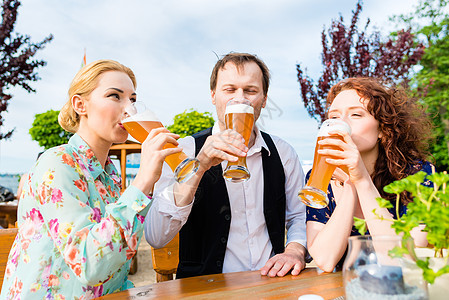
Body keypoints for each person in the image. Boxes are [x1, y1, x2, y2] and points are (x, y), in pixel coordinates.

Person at [0, 60, 182, 299]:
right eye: (115, 96)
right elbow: (90, 265)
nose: (130, 109)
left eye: (133, 99)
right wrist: (143, 180)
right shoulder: (57, 162)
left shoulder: (109, 173)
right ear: (80, 105)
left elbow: (115, 267)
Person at [145, 52, 307, 279]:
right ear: (213, 96)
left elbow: (298, 216)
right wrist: (199, 166)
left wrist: (295, 250)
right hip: (204, 290)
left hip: (269, 284)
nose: (239, 99)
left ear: (264, 98)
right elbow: (156, 235)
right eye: (230, 90)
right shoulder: (185, 150)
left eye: (250, 90)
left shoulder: (283, 152)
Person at [306, 77, 433, 272]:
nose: (341, 124)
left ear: (383, 129)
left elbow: (403, 260)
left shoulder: (417, 174)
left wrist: (362, 180)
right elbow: (325, 259)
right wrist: (350, 184)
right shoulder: (318, 178)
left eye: (356, 114)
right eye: (334, 117)